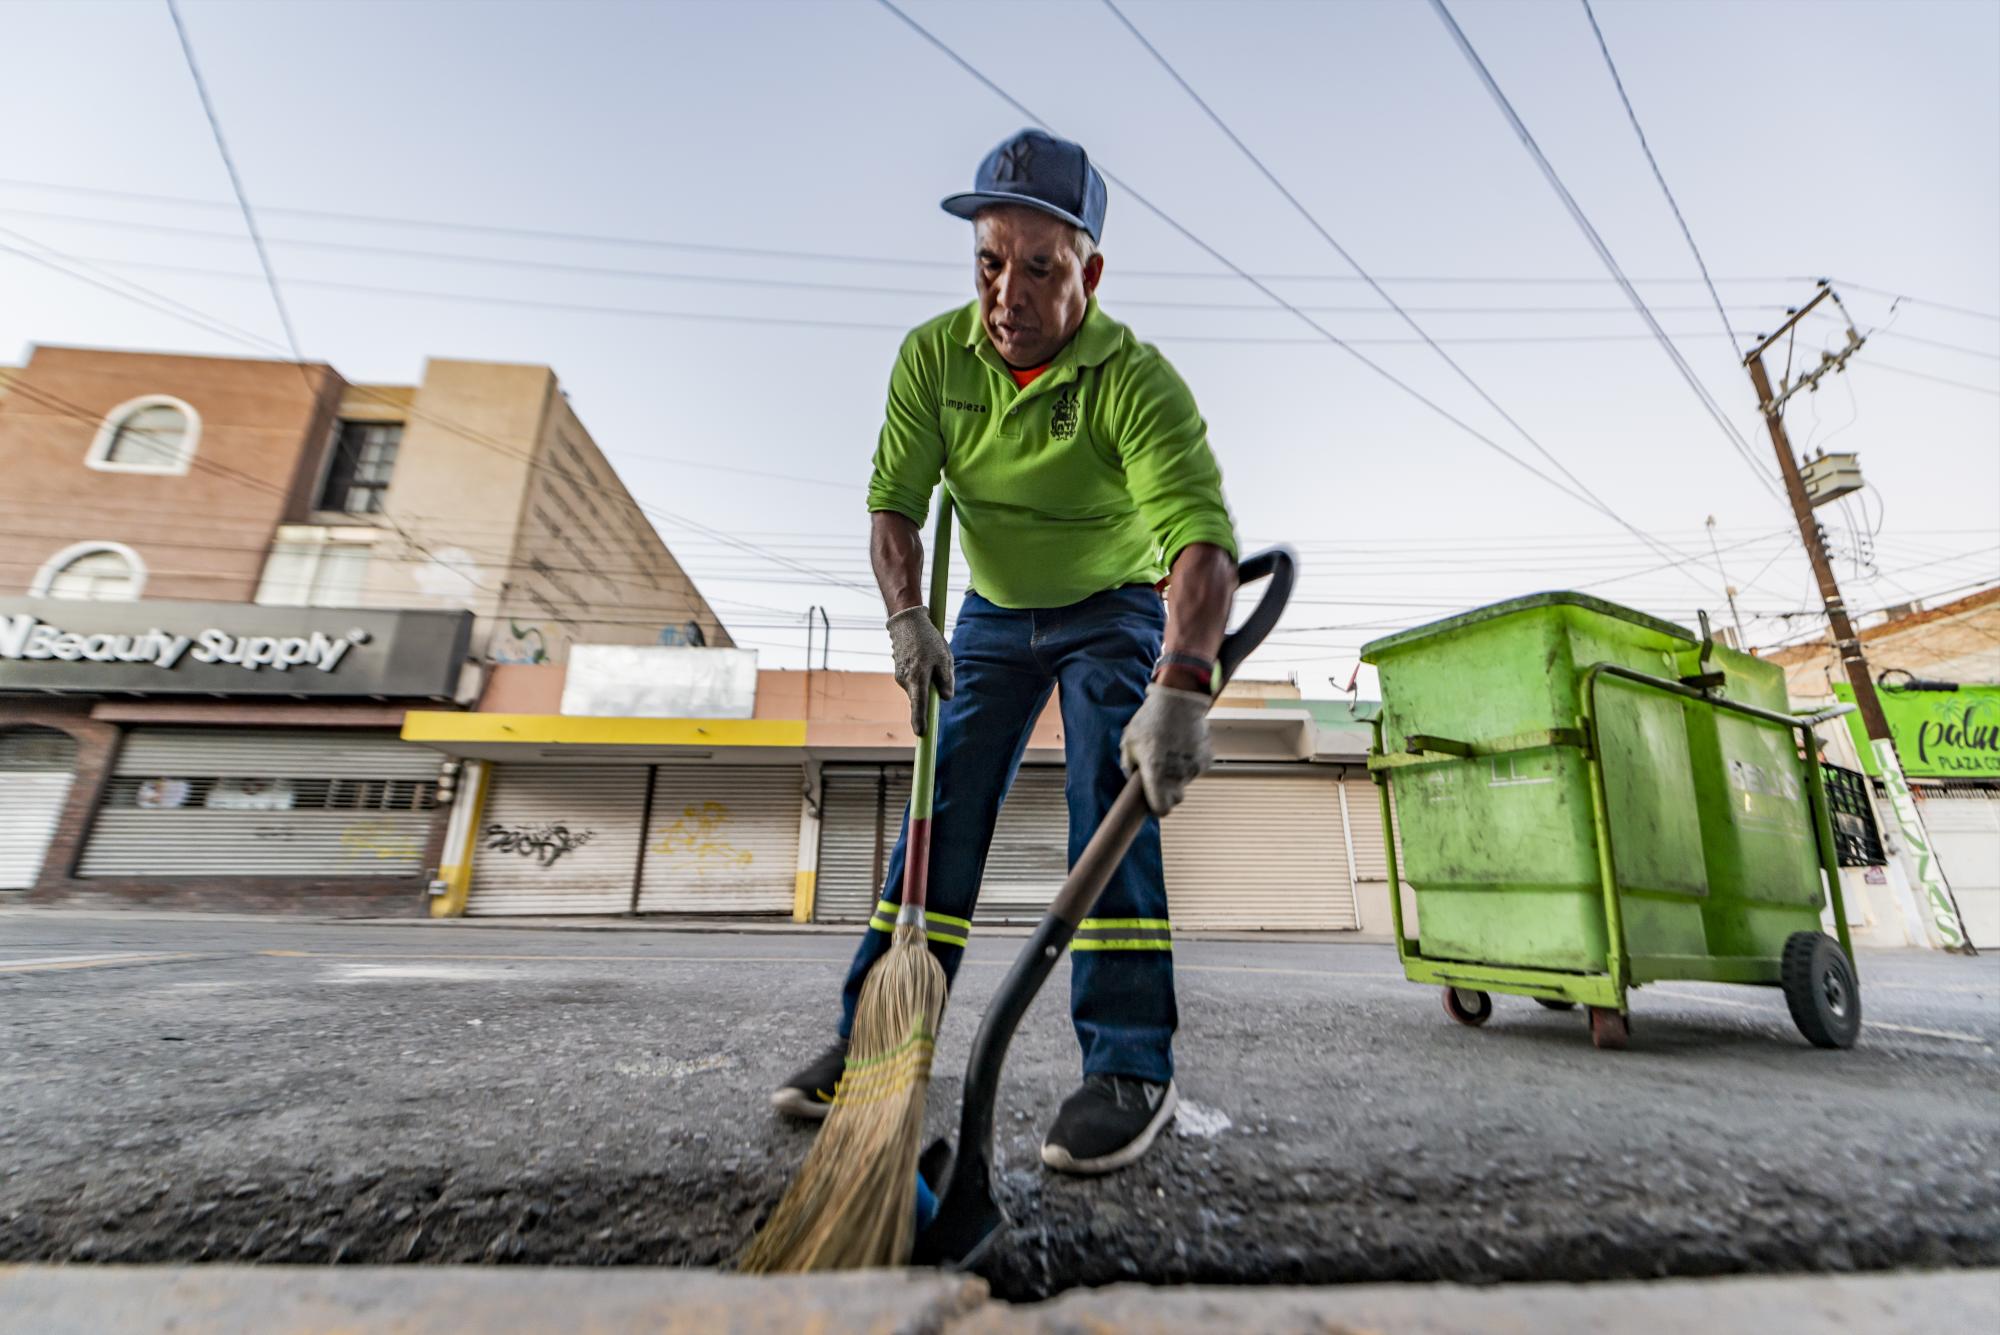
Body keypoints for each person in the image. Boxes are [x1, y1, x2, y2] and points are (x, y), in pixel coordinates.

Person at [772, 128, 1238, 1176]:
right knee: (938, 816)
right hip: (986, 615)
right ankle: (876, 1043)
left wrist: (1182, 686)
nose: (1006, 293)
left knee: (1102, 803)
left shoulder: (1134, 380)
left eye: (1040, 267)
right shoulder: (933, 358)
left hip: (1109, 605)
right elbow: (894, 508)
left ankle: (1127, 1067)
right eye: (989, 262)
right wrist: (906, 620)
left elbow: (1200, 545)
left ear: (1090, 273)